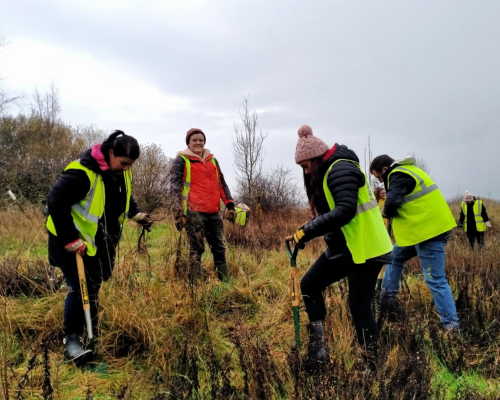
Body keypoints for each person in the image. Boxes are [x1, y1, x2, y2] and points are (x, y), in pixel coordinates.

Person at [287, 125, 392, 369]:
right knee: (309, 285)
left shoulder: (340, 168)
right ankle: (319, 350)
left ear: (314, 158)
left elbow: (343, 211)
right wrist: (304, 233)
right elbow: (328, 214)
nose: (305, 172)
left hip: (366, 249)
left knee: (359, 305)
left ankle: (370, 364)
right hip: (344, 248)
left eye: (305, 166)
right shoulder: (328, 173)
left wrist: (309, 230)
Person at [46, 131, 152, 364]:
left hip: (97, 241)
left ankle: (89, 332)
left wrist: (135, 213)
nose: (125, 168)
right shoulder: (82, 172)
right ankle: (71, 341)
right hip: (69, 240)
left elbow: (124, 196)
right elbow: (55, 200)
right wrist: (70, 239)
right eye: (123, 163)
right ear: (111, 152)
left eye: (129, 165)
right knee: (79, 287)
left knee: (92, 286)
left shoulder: (119, 171)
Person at [370, 154, 459, 330]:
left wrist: (383, 214)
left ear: (385, 170)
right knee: (394, 257)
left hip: (429, 233)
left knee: (434, 278)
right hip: (418, 233)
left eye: (379, 177)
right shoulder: (408, 171)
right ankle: (386, 302)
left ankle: (451, 325)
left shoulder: (398, 174)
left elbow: (392, 201)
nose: (380, 181)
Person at [169, 128, 235, 282]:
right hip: (193, 212)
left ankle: (224, 282)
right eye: (195, 140)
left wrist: (229, 204)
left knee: (219, 248)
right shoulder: (182, 161)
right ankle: (195, 284)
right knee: (197, 247)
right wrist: (177, 210)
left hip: (213, 212)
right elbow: (174, 187)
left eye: (201, 140)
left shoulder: (212, 160)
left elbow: (222, 183)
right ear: (188, 143)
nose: (198, 142)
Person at [374, 187, 391, 290]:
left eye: (384, 192)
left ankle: (383, 281)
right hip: (381, 233)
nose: (384, 194)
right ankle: (379, 282)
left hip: (389, 233)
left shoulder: (389, 201)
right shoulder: (376, 204)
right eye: (382, 193)